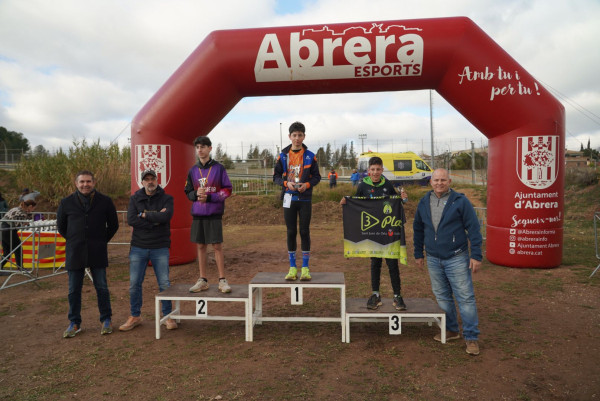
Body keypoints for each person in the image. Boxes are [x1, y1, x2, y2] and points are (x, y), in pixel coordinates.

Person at [413, 168, 483, 356]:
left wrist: (476, 255)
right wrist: (418, 253)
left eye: (443, 180)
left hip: (457, 257)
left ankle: (471, 337)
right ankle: (451, 330)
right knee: (442, 297)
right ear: (431, 182)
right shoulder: (424, 202)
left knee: (465, 298)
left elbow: (474, 229)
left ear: (449, 181)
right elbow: (418, 229)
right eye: (436, 180)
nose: (439, 183)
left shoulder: (460, 202)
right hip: (434, 259)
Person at [57, 170, 119, 338]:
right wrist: (75, 240)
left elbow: (113, 225)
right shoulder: (66, 202)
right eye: (82, 182)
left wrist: (100, 240)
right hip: (75, 251)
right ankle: (74, 322)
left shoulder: (105, 201)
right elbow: (61, 227)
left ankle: (106, 320)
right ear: (76, 184)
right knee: (73, 290)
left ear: (94, 183)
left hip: (97, 251)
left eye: (88, 181)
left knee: (102, 288)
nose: (85, 184)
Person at [340, 156, 408, 310]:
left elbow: (396, 202)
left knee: (392, 264)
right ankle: (375, 294)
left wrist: (404, 199)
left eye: (378, 169)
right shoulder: (363, 185)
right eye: (373, 169)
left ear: (382, 170)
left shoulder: (388, 185)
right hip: (372, 233)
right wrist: (346, 202)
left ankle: (397, 296)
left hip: (388, 232)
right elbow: (357, 204)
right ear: (368, 171)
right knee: (375, 263)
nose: (376, 172)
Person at [119, 169, 177, 332]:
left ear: (157, 180)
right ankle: (135, 316)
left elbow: (166, 217)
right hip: (139, 247)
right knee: (134, 284)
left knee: (164, 283)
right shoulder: (135, 198)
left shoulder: (167, 198)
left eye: (152, 179)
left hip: (160, 246)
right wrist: (155, 220)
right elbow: (131, 220)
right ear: (142, 182)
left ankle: (168, 315)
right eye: (147, 179)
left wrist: (144, 215)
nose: (150, 182)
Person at [273, 121, 321, 281]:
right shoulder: (282, 156)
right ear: (289, 136)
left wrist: (306, 185)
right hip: (289, 198)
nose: (297, 138)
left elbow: (317, 177)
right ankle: (293, 268)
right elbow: (276, 177)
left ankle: (305, 269)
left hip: (305, 198)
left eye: (300, 135)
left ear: (304, 136)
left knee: (305, 231)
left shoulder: (310, 156)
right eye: (294, 135)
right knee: (291, 232)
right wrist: (287, 184)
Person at [185, 136, 233, 293]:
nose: (200, 149)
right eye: (198, 147)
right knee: (200, 246)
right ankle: (203, 280)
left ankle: (222, 280)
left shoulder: (219, 169)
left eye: (203, 146)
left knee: (217, 246)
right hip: (198, 213)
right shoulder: (193, 170)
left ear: (210, 148)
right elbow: (188, 191)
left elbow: (227, 190)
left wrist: (211, 197)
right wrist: (195, 196)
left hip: (214, 213)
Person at [1, 199, 36, 270]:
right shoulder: (22, 213)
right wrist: (25, 224)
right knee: (18, 249)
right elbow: (18, 226)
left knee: (7, 252)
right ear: (30, 206)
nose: (33, 210)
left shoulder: (16, 208)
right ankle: (20, 268)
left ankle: (0, 266)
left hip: (2, 229)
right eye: (33, 208)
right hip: (9, 230)